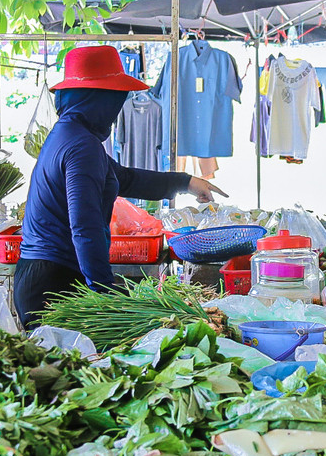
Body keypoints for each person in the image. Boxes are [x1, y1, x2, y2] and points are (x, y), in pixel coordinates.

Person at [15, 45, 225, 327]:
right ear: (96, 98)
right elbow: (85, 225)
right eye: (114, 99)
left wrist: (186, 182)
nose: (115, 111)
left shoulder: (71, 134)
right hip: (52, 283)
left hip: (48, 275)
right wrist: (104, 291)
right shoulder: (81, 146)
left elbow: (123, 178)